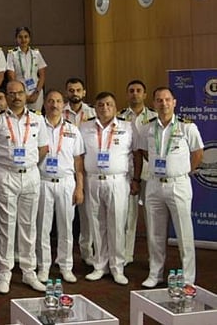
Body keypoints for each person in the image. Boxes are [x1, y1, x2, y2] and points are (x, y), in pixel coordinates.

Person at [0, 80, 49, 294]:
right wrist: (2, 166)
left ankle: (29, 272)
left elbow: (43, 148)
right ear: (6, 96)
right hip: (5, 175)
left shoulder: (38, 119)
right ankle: (4, 273)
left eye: (20, 93)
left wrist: (28, 164)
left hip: (30, 175)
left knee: (29, 226)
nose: (16, 97)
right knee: (5, 226)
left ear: (25, 94)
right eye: (11, 93)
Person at [133, 87, 203, 287]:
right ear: (154, 103)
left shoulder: (187, 127)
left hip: (178, 184)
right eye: (159, 100)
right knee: (155, 233)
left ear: (174, 102)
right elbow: (144, 152)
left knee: (184, 234)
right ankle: (155, 274)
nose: (163, 104)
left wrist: (182, 171)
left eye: (167, 100)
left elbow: (198, 153)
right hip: (154, 184)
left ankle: (188, 278)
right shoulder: (147, 128)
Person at [78, 91, 134, 285]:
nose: (105, 108)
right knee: (96, 223)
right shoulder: (84, 127)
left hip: (117, 181)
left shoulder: (127, 127)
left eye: (109, 104)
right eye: (101, 104)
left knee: (117, 224)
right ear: (95, 108)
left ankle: (117, 267)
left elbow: (135, 154)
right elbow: (79, 155)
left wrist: (135, 180)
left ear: (115, 107)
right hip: (93, 180)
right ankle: (99, 265)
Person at [35, 90, 84, 284]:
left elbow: (78, 160)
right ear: (45, 104)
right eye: (50, 101)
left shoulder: (73, 130)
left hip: (66, 182)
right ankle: (43, 267)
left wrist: (79, 187)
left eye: (58, 101)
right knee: (43, 228)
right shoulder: (37, 126)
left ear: (63, 105)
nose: (54, 105)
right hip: (43, 181)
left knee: (66, 227)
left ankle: (66, 266)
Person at [121, 79, 156, 265]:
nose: (135, 93)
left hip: (150, 172)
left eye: (138, 90)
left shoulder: (155, 117)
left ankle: (154, 257)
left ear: (145, 94)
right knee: (129, 216)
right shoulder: (119, 117)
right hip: (128, 172)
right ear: (127, 94)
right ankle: (127, 255)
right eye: (131, 90)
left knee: (152, 217)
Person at [62, 78, 96, 266]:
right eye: (71, 90)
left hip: (87, 167)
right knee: (65, 216)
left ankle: (86, 252)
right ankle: (64, 254)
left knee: (87, 214)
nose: (74, 93)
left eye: (78, 90)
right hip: (66, 167)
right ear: (66, 92)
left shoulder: (93, 113)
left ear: (84, 92)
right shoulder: (59, 111)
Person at [6, 27, 47, 111]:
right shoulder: (12, 54)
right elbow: (11, 76)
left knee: (35, 116)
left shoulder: (36, 53)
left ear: (29, 38)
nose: (23, 39)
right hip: (19, 92)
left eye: (26, 37)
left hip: (36, 91)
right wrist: (22, 94)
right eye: (20, 37)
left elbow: (42, 76)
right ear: (16, 39)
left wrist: (36, 93)